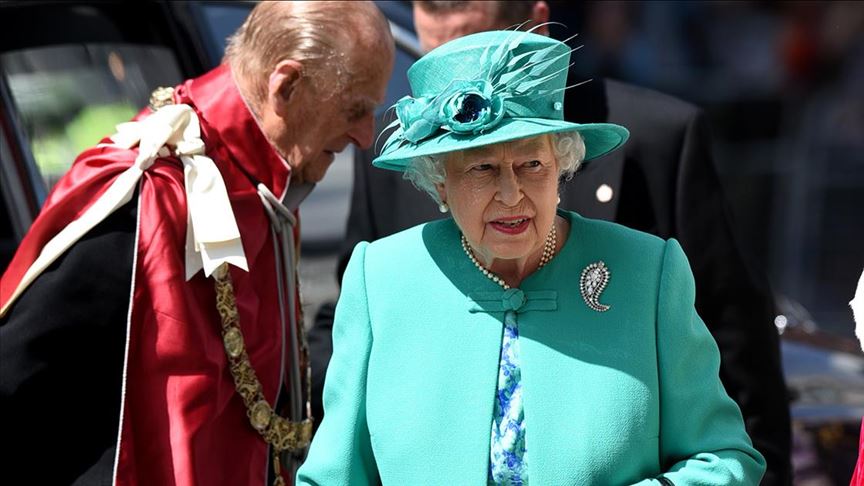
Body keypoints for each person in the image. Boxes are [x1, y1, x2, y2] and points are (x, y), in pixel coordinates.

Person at [308, 1, 792, 483]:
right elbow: (331, 476)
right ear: (439, 183)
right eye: (482, 168)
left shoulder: (648, 272)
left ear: (562, 166)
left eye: (532, 164)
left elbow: (724, 457)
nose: (511, 194)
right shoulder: (381, 279)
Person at [0, 2, 393, 485]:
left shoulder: (268, 188)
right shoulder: (144, 198)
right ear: (287, 86)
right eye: (355, 109)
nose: (366, 136)